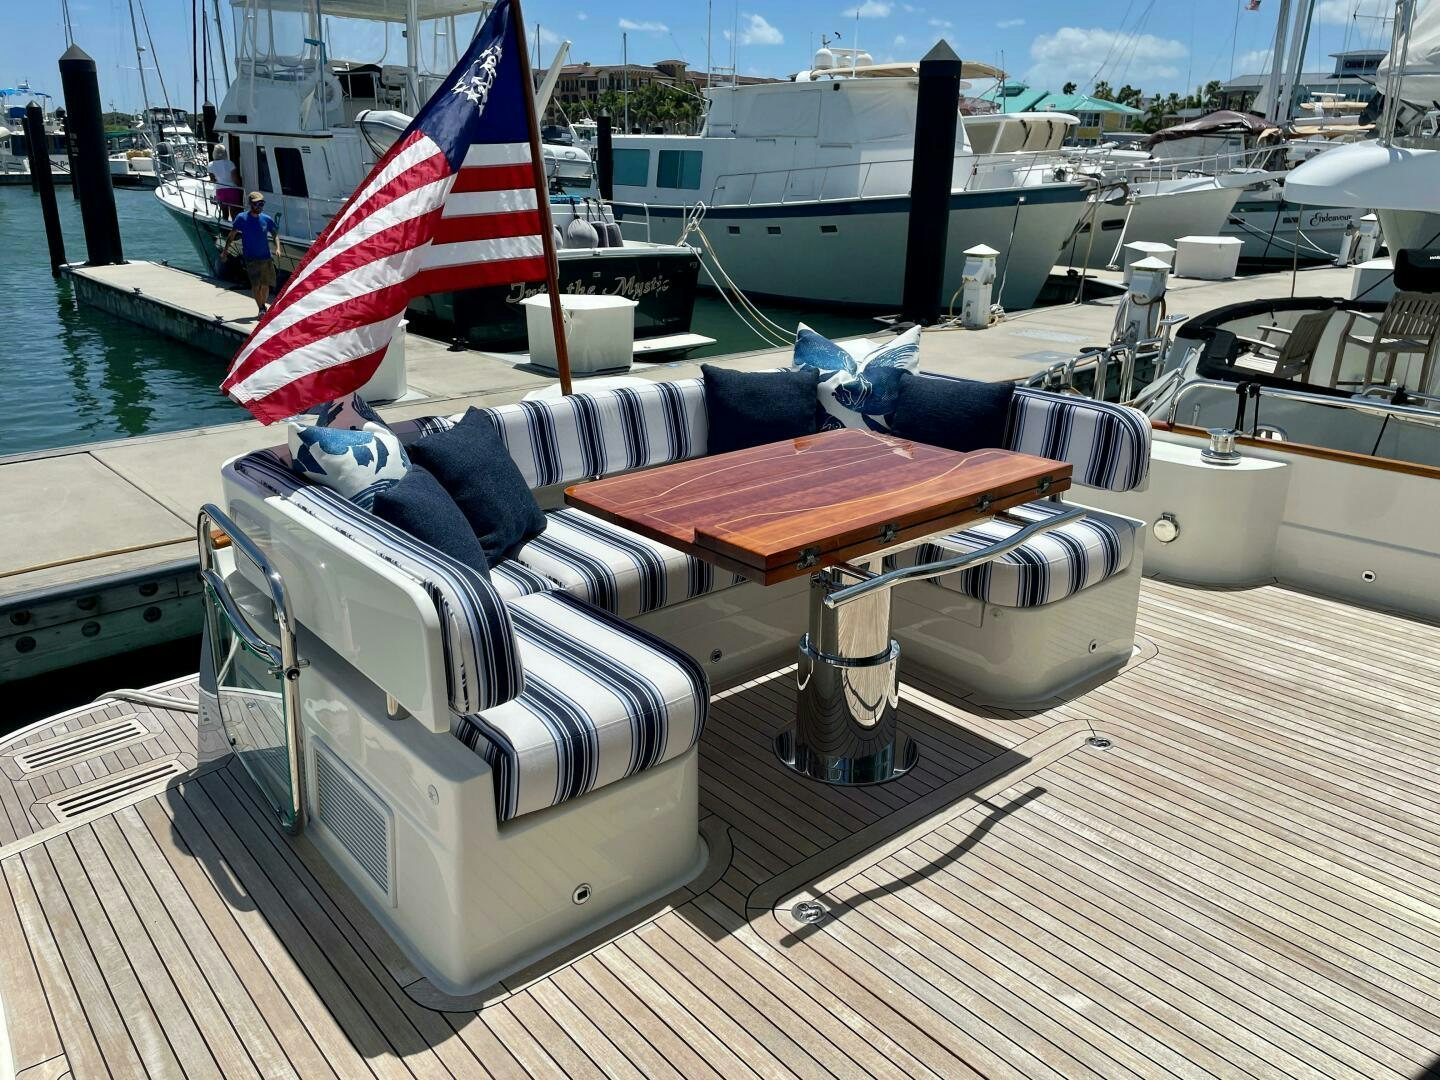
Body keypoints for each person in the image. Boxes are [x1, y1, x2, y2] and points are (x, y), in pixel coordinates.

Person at [226, 192, 280, 315]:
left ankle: (262, 306)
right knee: (256, 285)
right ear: (251, 204)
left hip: (266, 258)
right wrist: (225, 251)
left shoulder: (267, 219)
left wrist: (278, 248)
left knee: (265, 285)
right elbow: (232, 235)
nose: (259, 206)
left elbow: (275, 234)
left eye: (262, 204)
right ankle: (261, 308)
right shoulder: (241, 218)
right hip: (251, 258)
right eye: (257, 204)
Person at [207, 145, 241, 221]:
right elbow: (235, 179)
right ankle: (234, 229)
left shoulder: (210, 165)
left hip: (220, 190)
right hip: (232, 190)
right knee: (234, 213)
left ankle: (225, 229)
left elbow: (213, 180)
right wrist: (240, 186)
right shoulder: (230, 163)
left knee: (224, 213)